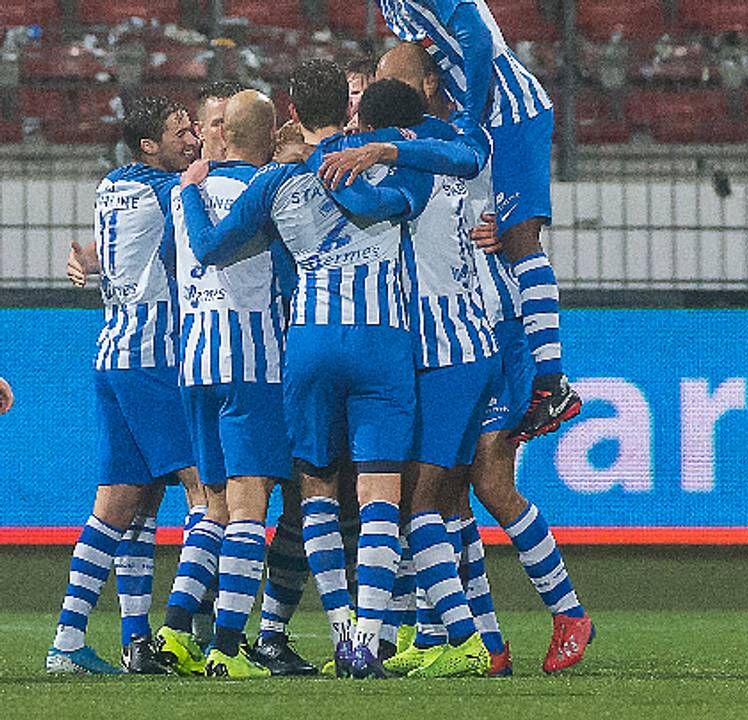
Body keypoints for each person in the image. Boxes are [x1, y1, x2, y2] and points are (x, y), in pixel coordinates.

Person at [179, 58, 488, 679]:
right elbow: (430, 181)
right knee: (380, 495)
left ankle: (341, 627)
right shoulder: (385, 158)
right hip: (384, 342)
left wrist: (189, 192)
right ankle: (367, 642)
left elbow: (212, 249)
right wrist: (378, 158)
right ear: (347, 111)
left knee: (315, 493)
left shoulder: (276, 180)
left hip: (309, 344)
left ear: (292, 112)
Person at [320, 42, 593, 675]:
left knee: (453, 495)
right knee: (458, 499)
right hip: (456, 342)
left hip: (482, 341)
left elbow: (511, 223)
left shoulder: (461, 143)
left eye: (385, 84)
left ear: (423, 84)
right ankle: (481, 639)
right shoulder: (429, 149)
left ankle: (516, 630)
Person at [46, 96, 203, 675]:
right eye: (179, 132)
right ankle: (180, 629)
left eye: (194, 128)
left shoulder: (114, 184)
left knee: (127, 503)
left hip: (113, 350)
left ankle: (89, 639)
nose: (191, 140)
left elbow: (123, 248)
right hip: (154, 358)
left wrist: (88, 257)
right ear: (149, 147)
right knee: (207, 493)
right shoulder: (170, 192)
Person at [379, 0, 582, 442]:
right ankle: (547, 380)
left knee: (522, 241)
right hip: (490, 116)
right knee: (508, 238)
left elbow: (474, 32)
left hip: (509, 109)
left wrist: (470, 112)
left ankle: (551, 381)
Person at [167, 89, 305, 679]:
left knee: (211, 509)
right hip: (252, 367)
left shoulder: (184, 191)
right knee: (251, 512)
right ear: (270, 138)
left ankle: (173, 632)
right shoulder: (269, 193)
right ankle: (226, 649)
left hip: (194, 362)